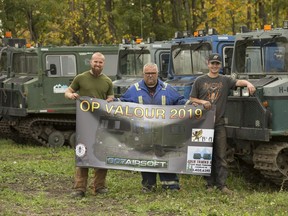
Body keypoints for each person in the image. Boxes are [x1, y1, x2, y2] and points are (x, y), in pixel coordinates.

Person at [189, 53, 256, 195]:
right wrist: (203, 102)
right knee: (204, 154)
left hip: (219, 123)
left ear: (220, 65)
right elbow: (192, 98)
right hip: (202, 124)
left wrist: (249, 83)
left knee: (221, 154)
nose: (214, 66)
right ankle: (209, 183)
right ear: (208, 63)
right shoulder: (200, 81)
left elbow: (239, 82)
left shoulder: (225, 80)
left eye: (217, 64)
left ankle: (222, 185)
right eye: (212, 63)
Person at [116, 62, 188, 192]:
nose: (150, 76)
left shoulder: (167, 88)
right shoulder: (134, 89)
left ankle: (171, 185)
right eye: (147, 73)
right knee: (146, 158)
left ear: (157, 74)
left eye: (153, 73)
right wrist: (111, 103)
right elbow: (122, 104)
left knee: (165, 156)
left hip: (163, 133)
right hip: (143, 134)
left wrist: (193, 105)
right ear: (143, 74)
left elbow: (180, 102)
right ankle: (149, 185)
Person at [65, 52, 114, 198]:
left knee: (101, 152)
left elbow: (110, 97)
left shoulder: (108, 81)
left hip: (101, 124)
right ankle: (79, 188)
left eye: (100, 62)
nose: (97, 64)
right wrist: (71, 95)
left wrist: (110, 100)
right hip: (85, 123)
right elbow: (68, 91)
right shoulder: (81, 78)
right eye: (95, 62)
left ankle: (99, 186)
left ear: (103, 64)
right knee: (83, 153)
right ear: (90, 62)